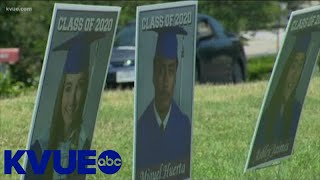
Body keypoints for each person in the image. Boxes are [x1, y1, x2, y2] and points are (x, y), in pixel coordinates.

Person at [24, 32, 105, 180]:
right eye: (68, 88)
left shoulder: (86, 144)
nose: (72, 100)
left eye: (80, 86)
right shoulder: (39, 149)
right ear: (61, 93)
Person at [136, 26, 192, 180]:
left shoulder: (184, 125)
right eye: (160, 70)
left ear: (176, 75)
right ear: (153, 74)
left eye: (171, 71)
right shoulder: (140, 128)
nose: (165, 81)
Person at [250, 32, 311, 166]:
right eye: (293, 65)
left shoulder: (295, 107)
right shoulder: (268, 111)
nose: (295, 73)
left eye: (300, 65)